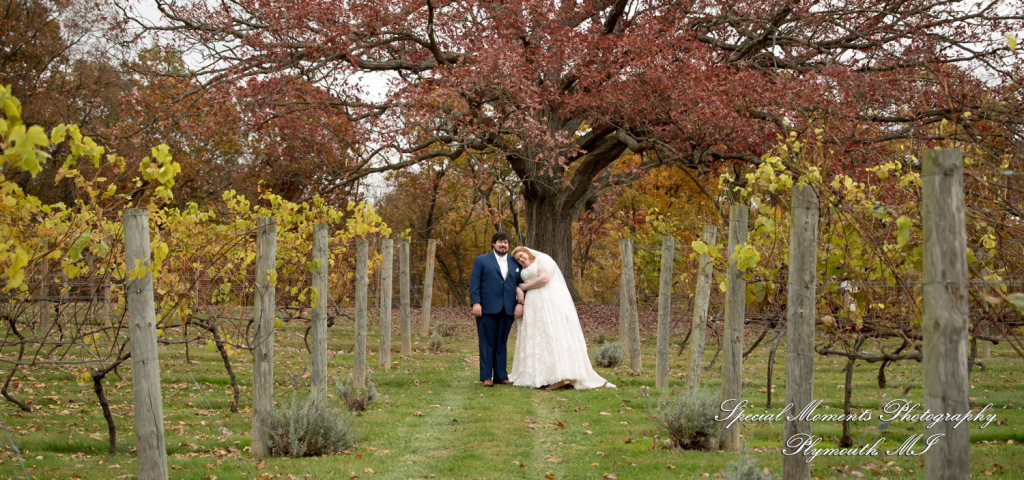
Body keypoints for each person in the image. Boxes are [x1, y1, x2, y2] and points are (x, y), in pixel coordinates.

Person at [508, 246, 614, 390]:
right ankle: (541, 375)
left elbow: (545, 279)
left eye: (521, 255)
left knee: (551, 335)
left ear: (527, 252)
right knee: (539, 338)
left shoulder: (543, 259)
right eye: (517, 259)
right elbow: (516, 282)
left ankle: (560, 376)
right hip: (533, 306)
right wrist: (518, 289)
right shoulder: (523, 269)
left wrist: (525, 287)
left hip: (546, 301)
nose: (520, 259)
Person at [468, 232, 523, 387]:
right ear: (493, 244)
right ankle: (486, 377)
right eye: (500, 242)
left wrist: (520, 303)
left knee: (501, 342)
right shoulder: (481, 260)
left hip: (508, 309)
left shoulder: (515, 263)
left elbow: (521, 284)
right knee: (486, 342)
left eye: (505, 242)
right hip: (486, 308)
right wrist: (476, 303)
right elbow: (474, 283)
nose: (503, 245)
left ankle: (500, 376)